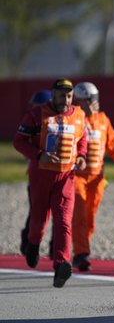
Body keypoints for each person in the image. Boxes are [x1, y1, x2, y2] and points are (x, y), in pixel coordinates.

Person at [13, 78, 87, 288]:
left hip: (66, 179)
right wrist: (38, 155)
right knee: (38, 224)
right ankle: (33, 244)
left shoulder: (79, 115)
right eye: (62, 95)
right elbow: (18, 141)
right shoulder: (36, 115)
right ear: (52, 95)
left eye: (69, 95)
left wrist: (81, 157)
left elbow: (82, 140)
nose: (65, 99)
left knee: (64, 222)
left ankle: (61, 264)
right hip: (41, 178)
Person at [71, 82, 114, 272]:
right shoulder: (72, 119)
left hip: (97, 178)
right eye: (86, 100)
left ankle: (79, 248)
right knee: (80, 214)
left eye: (93, 99)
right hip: (76, 176)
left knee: (90, 218)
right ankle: (81, 254)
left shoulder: (103, 120)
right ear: (79, 101)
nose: (91, 103)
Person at [20, 90, 52, 256]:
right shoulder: (33, 127)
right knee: (36, 214)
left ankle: (55, 248)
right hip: (36, 179)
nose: (36, 109)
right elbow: (23, 146)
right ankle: (27, 243)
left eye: (38, 106)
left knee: (60, 217)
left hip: (54, 177)